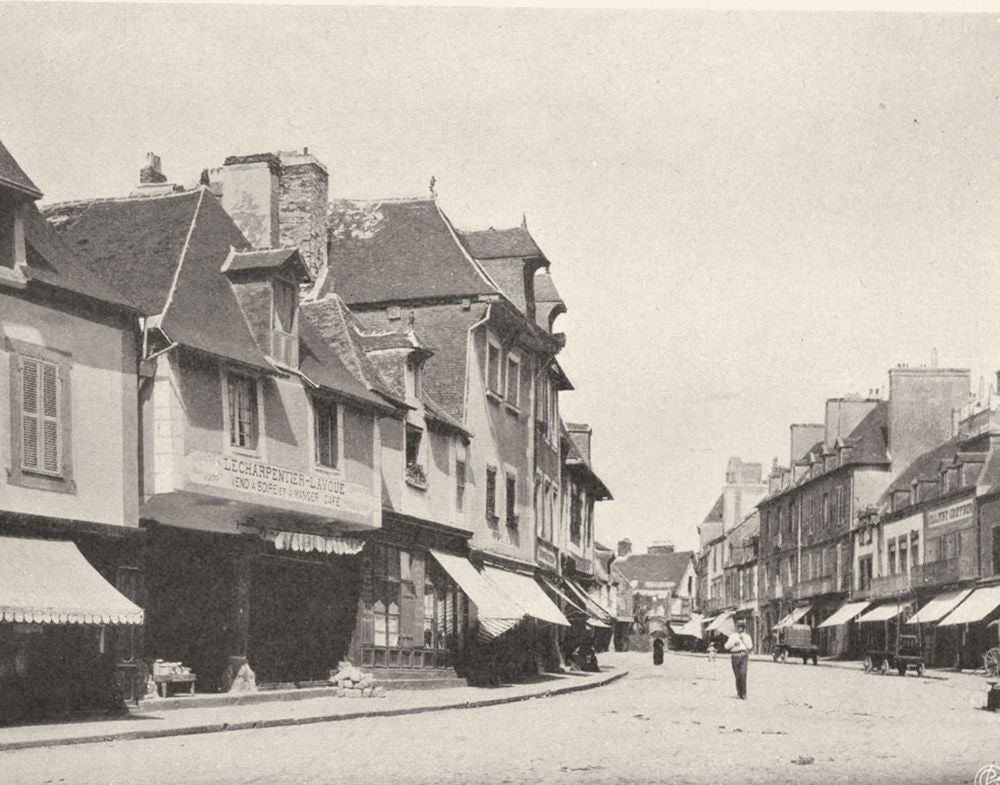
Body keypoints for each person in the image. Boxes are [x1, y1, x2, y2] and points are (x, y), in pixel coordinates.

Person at [724, 620, 753, 699]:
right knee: (737, 675)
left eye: (742, 627)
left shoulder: (747, 636)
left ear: (744, 628)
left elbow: (750, 647)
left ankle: (744, 693)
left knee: (743, 674)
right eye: (738, 627)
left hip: (743, 655)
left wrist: (743, 640)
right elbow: (726, 647)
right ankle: (739, 692)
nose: (740, 628)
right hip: (735, 655)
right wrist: (733, 644)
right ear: (736, 628)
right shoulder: (733, 636)